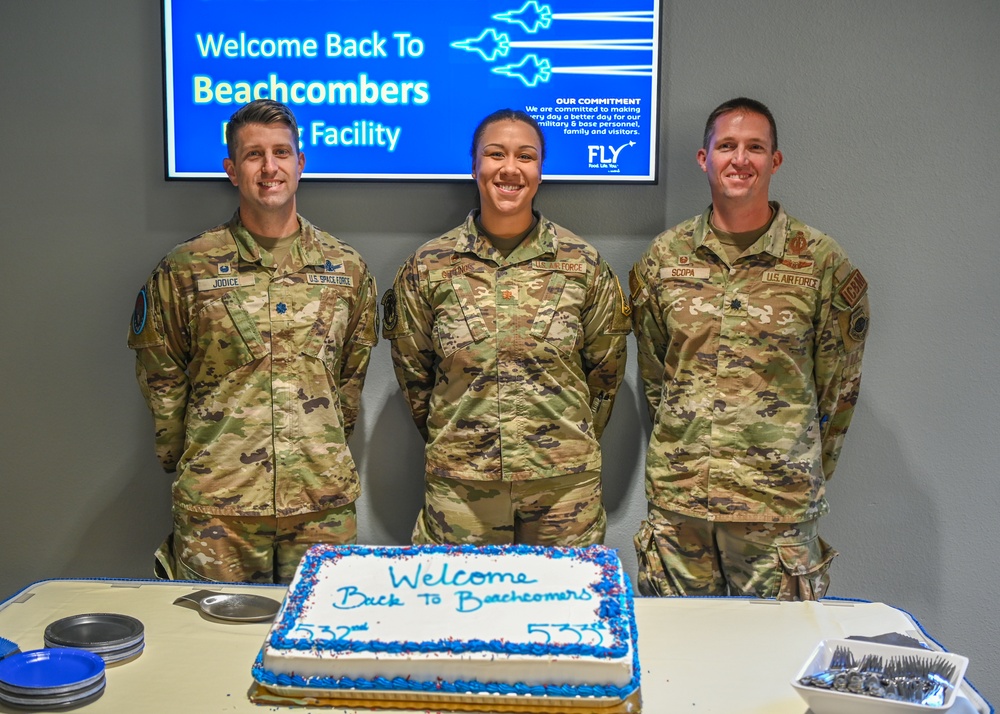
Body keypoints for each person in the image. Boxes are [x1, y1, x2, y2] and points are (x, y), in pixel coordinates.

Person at [128, 99, 377, 583]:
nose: (270, 167)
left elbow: (349, 381)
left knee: (316, 651)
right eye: (253, 155)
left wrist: (316, 449)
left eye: (281, 153)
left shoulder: (346, 268)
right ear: (232, 169)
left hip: (319, 506)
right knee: (209, 651)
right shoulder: (187, 268)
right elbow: (161, 378)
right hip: (218, 511)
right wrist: (203, 462)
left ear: (300, 163)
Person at [630, 97, 870, 599]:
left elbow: (837, 389)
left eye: (755, 147)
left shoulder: (819, 262)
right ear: (705, 158)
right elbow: (657, 374)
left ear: (775, 161)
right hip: (682, 508)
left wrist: (790, 460)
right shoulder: (665, 258)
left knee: (777, 665)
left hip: (776, 510)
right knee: (677, 662)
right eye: (727, 146)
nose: (740, 159)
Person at [382, 109, 630, 546]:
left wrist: (558, 442)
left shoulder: (583, 265)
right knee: (455, 610)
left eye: (526, 156)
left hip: (563, 487)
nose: (510, 168)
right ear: (475, 165)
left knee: (567, 610)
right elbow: (414, 376)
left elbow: (605, 378)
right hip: (461, 486)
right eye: (495, 154)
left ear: (540, 170)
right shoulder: (429, 267)